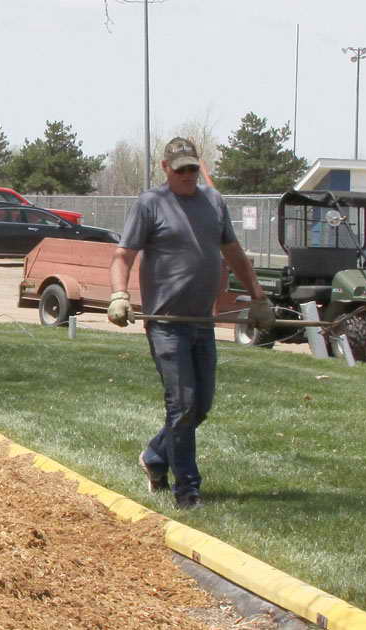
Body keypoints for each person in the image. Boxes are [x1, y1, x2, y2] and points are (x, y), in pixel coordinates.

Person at [107, 137, 274, 510]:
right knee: (182, 404)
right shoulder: (152, 204)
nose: (187, 174)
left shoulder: (214, 202)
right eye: (179, 168)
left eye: (192, 168)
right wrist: (119, 295)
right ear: (166, 168)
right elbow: (123, 256)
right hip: (166, 323)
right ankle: (188, 491)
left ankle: (155, 455)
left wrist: (258, 296)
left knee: (200, 407)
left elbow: (233, 252)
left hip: (201, 321)